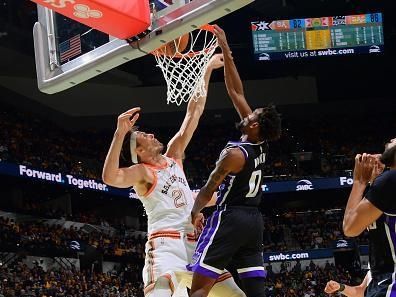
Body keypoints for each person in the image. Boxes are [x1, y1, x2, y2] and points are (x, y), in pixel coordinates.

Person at [102, 54, 244, 297]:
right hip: (166, 244)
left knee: (234, 295)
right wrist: (119, 134)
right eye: (144, 136)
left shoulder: (174, 156)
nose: (150, 134)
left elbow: (193, 112)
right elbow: (111, 177)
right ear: (138, 151)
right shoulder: (143, 173)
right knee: (160, 292)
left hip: (195, 242)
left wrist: (207, 69)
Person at [188, 25, 282, 297]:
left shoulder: (235, 154)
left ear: (255, 127)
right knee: (255, 291)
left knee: (199, 287)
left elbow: (208, 189)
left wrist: (194, 213)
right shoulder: (260, 141)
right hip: (254, 221)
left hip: (230, 217)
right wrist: (226, 50)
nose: (249, 113)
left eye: (253, 116)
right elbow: (235, 91)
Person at [342, 137, 396, 297]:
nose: (392, 138)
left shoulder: (390, 180)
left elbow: (350, 228)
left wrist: (360, 181)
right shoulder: (387, 181)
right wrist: (375, 179)